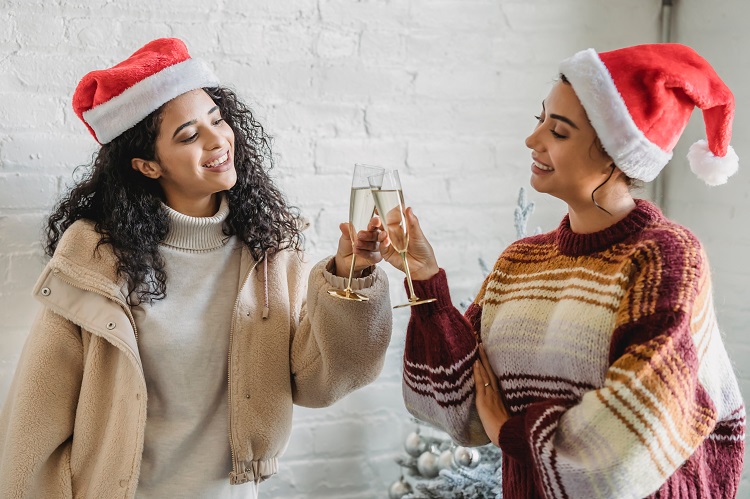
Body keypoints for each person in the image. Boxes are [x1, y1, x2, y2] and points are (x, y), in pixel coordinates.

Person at [0, 38, 393, 498]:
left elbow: (319, 381)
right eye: (188, 135)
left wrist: (350, 274)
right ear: (147, 165)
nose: (217, 141)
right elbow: (36, 419)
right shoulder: (97, 263)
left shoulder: (268, 252)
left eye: (217, 119)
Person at [381, 43, 745, 498]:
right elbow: (456, 405)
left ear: (615, 155)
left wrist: (510, 434)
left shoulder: (665, 257)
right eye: (540, 121)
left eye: (559, 131)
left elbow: (635, 433)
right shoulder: (521, 262)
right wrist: (426, 282)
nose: (533, 141)